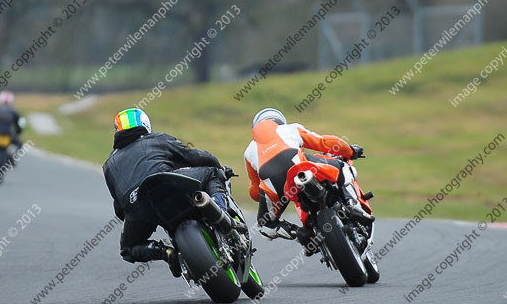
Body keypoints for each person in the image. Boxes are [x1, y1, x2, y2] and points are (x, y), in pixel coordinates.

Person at [102, 108, 246, 276]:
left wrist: (137, 217)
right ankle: (222, 215)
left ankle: (167, 254)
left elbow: (119, 207)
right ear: (145, 124)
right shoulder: (158, 138)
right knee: (212, 172)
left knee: (128, 249)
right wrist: (218, 165)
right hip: (166, 184)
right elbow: (194, 156)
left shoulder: (108, 166)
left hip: (138, 205)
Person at [244, 107, 373, 247]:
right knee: (343, 167)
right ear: (279, 121)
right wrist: (350, 151)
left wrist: (263, 196)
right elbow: (324, 142)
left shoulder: (248, 152)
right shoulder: (289, 129)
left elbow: (255, 191)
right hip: (298, 166)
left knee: (265, 225)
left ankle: (299, 233)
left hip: (273, 184)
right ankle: (352, 205)